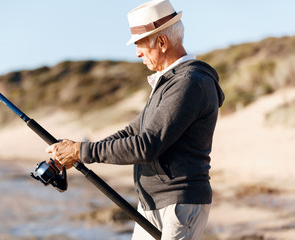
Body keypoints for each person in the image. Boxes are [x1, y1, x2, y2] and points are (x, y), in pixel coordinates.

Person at [46, 0, 225, 239]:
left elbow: (146, 145)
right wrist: (78, 152)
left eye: (140, 44)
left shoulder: (189, 82)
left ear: (162, 42)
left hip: (178, 205)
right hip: (152, 204)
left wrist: (82, 152)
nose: (137, 52)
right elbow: (132, 132)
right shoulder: (169, 82)